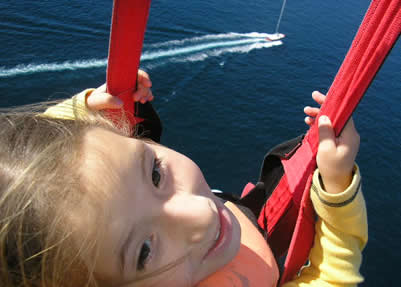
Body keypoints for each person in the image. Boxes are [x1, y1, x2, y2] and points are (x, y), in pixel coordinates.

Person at [0, 69, 367, 287]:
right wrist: (336, 187)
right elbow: (332, 277)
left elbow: (29, 157)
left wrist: (87, 107)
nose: (201, 213)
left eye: (156, 172)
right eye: (144, 250)